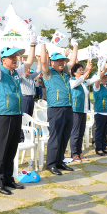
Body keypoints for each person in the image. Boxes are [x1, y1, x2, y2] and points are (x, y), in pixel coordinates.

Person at [0, 26, 36, 195]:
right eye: (11, 57)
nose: (15, 59)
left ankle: (8, 178)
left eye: (16, 56)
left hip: (16, 114)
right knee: (1, 148)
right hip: (4, 115)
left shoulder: (15, 72)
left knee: (12, 148)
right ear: (3, 59)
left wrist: (32, 44)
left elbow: (29, 62)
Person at [40, 41, 78, 175]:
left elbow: (72, 62)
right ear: (52, 63)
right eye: (58, 61)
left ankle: (60, 161)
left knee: (64, 137)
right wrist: (43, 45)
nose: (61, 63)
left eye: (62, 60)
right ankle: (51, 164)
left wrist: (75, 46)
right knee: (55, 137)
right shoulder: (48, 73)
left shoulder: (64, 72)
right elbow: (43, 63)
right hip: (56, 109)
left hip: (68, 108)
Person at [69, 59, 101, 163]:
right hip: (75, 110)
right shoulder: (72, 81)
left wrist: (102, 68)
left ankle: (79, 152)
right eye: (80, 70)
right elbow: (80, 80)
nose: (82, 71)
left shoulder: (83, 83)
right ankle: (74, 154)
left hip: (83, 110)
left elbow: (95, 78)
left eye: (83, 70)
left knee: (81, 132)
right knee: (75, 132)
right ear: (74, 72)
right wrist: (88, 71)